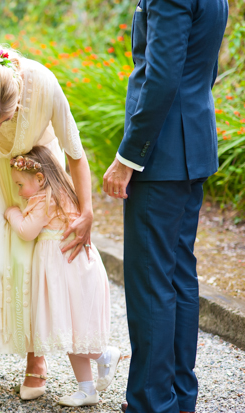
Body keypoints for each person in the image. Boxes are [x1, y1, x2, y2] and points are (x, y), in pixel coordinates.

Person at [0, 44, 95, 397]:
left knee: (32, 261)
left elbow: (75, 153)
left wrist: (86, 211)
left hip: (38, 172)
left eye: (4, 119)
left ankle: (35, 359)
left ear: (18, 97)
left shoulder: (44, 83)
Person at [101, 0, 229, 412]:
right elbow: (203, 69)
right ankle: (176, 398)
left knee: (151, 282)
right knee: (177, 276)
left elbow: (161, 76)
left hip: (160, 156)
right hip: (191, 144)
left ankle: (151, 404)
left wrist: (128, 156)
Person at [4, 146, 120, 406]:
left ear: (40, 179)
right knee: (74, 331)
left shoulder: (45, 199)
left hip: (65, 270)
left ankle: (104, 355)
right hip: (77, 268)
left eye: (20, 184)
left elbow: (26, 231)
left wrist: (11, 212)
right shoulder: (64, 191)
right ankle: (87, 389)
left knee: (72, 330)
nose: (20, 191)